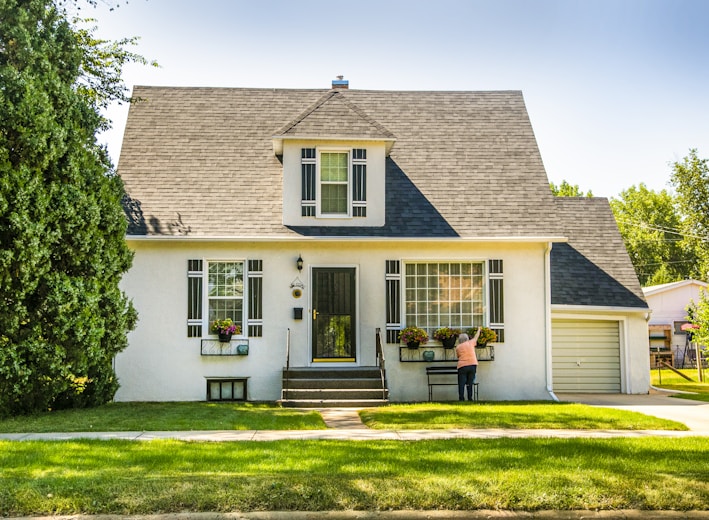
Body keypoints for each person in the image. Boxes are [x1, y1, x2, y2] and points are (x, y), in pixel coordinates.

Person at [455, 327, 481, 401]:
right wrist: (479, 330)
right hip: (472, 364)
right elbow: (476, 336)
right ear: (467, 339)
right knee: (470, 383)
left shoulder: (458, 347)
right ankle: (470, 398)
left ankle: (461, 398)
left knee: (461, 383)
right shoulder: (471, 343)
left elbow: (458, 356)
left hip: (462, 366)